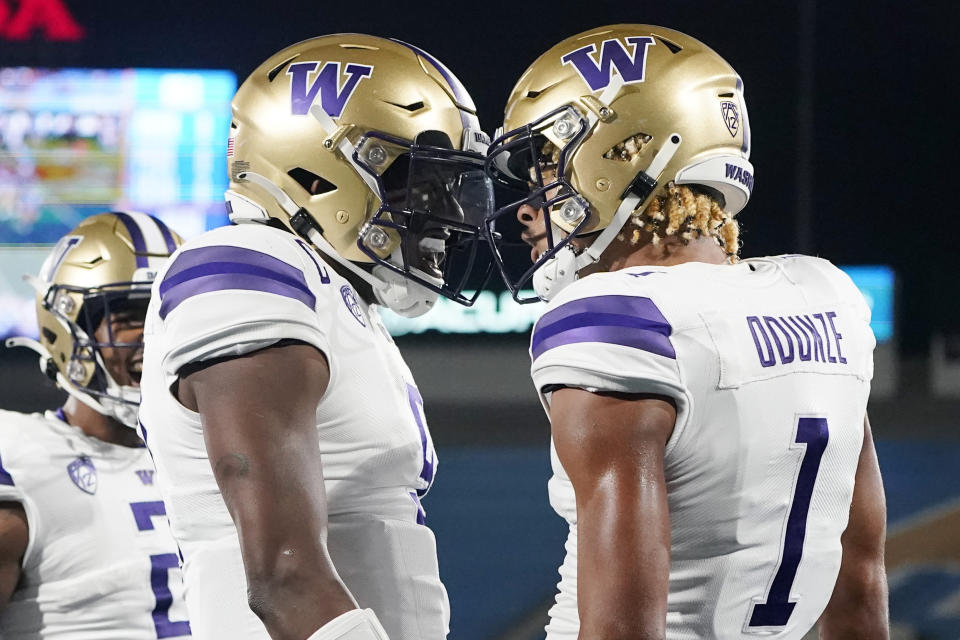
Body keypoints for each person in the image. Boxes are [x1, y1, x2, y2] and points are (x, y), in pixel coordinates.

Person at [483, 25, 888, 640]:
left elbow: (623, 629)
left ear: (623, 154)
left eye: (547, 165)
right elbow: (858, 591)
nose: (529, 205)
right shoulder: (823, 296)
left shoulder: (617, 317)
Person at [138, 34, 491, 640]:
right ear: (317, 168)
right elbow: (284, 578)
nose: (449, 213)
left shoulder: (336, 295)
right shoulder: (244, 261)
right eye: (417, 181)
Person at [0, 212, 190, 639]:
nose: (155, 335)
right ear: (70, 329)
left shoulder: (214, 453)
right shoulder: (20, 459)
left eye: (167, 312)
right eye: (129, 316)